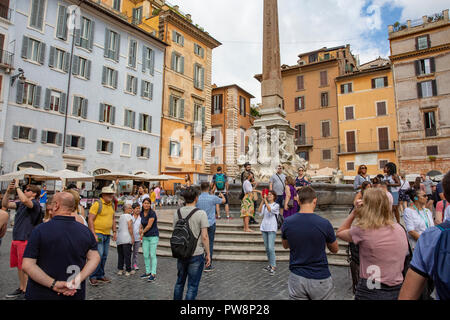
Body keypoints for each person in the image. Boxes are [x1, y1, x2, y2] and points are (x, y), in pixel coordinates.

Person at [21, 192, 100, 300]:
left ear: (56, 205)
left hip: (41, 293)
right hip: (74, 293)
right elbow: (95, 258)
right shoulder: (85, 231)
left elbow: (27, 265)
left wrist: (54, 284)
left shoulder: (40, 230)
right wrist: (77, 279)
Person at [336, 188, 409, 300]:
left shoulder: (364, 230)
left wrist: (354, 212)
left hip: (371, 287)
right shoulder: (400, 229)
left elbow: (340, 232)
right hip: (397, 287)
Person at [399, 170, 450, 300]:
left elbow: (432, 226)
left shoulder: (427, 211)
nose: (426, 197)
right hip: (419, 246)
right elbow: (411, 230)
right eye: (423, 196)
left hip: (429, 244)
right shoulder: (409, 212)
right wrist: (427, 241)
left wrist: (429, 240)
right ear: (415, 198)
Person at [282, 186, 338, 300]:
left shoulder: (287, 222)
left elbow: (285, 245)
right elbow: (335, 249)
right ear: (315, 200)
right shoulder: (324, 223)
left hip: (297, 276)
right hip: (320, 276)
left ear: (298, 200)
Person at [2, 181, 41, 299]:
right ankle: (22, 288)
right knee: (19, 266)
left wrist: (18, 187)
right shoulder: (21, 204)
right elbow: (5, 204)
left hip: (26, 238)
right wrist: (8, 191)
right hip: (17, 238)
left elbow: (25, 200)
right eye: (24, 189)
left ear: (34, 194)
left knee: (25, 267)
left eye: (27, 190)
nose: (24, 191)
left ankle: (28, 290)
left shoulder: (35, 204)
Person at [173, 187, 210, 300]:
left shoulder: (177, 212)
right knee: (192, 286)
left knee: (179, 282)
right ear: (196, 198)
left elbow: (175, 230)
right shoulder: (201, 213)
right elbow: (204, 236)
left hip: (181, 251)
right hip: (196, 253)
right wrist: (208, 253)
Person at [88, 185, 117, 286]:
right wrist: (93, 234)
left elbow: (113, 219)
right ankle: (92, 276)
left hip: (107, 234)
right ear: (103, 195)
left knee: (104, 256)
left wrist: (114, 231)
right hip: (98, 233)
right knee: (98, 255)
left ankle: (100, 274)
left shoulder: (112, 205)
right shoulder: (97, 204)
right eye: (109, 194)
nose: (111, 196)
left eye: (111, 194)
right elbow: (90, 219)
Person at [196, 182, 225, 272]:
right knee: (210, 243)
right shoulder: (213, 198)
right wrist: (221, 196)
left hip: (200, 223)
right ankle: (208, 264)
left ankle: (198, 262)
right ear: (208, 188)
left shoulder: (197, 199)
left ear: (201, 188)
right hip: (210, 223)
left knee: (200, 243)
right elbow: (224, 201)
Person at [257, 190, 280, 275]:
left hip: (272, 227)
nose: (269, 196)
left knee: (271, 247)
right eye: (268, 194)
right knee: (267, 248)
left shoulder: (276, 205)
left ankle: (273, 266)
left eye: (270, 195)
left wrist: (265, 201)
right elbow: (259, 212)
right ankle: (270, 264)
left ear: (274, 196)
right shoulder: (264, 205)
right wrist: (262, 200)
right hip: (264, 227)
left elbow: (270, 210)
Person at [139, 198, 159, 282]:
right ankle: (148, 272)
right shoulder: (141, 213)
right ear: (142, 204)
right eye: (145, 203)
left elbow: (149, 225)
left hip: (153, 236)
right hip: (145, 237)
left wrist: (142, 232)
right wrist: (140, 229)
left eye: (148, 203)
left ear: (150, 204)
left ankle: (153, 273)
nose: (146, 205)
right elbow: (141, 223)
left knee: (152, 254)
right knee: (146, 255)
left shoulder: (152, 213)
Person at [116, 203, 134, 277]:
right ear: (126, 209)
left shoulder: (121, 216)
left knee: (121, 255)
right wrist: (132, 237)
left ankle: (120, 269)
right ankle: (128, 270)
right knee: (127, 255)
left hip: (120, 238)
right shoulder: (129, 216)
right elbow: (129, 226)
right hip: (127, 238)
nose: (131, 209)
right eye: (130, 208)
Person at [131, 203, 141, 273]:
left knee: (135, 253)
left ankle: (135, 264)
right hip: (130, 238)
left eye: (139, 208)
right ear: (133, 209)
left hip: (138, 238)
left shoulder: (141, 217)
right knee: (128, 252)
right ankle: (127, 264)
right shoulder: (130, 217)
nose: (138, 210)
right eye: (137, 208)